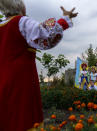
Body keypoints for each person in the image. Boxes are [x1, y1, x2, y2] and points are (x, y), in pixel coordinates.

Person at [0, 0, 78, 130]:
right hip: (21, 82)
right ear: (20, 6)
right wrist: (65, 19)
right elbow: (46, 34)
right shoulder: (21, 21)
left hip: (2, 81)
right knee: (23, 117)